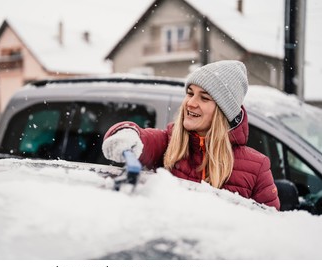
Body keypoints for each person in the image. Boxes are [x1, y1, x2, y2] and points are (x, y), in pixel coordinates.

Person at [102, 60, 280, 210]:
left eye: (204, 98)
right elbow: (138, 137)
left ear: (223, 111)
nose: (191, 103)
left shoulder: (257, 168)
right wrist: (125, 133)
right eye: (190, 93)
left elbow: (268, 232)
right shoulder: (169, 143)